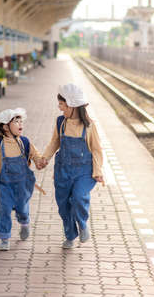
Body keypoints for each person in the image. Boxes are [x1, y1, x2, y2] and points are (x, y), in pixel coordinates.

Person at [40, 84, 104, 249]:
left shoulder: (89, 126)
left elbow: (96, 150)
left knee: (78, 197)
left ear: (72, 105)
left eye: (62, 104)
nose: (60, 108)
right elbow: (55, 142)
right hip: (63, 170)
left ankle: (82, 224)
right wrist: (45, 158)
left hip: (84, 171)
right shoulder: (61, 122)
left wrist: (98, 171)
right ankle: (70, 235)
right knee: (63, 206)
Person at [0, 108, 43, 251]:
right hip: (3, 184)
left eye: (21, 121)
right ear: (6, 127)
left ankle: (24, 222)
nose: (21, 124)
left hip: (22, 184)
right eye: (16, 121)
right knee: (4, 209)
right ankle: (4, 237)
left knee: (22, 208)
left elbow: (35, 153)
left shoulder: (24, 142)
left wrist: (39, 161)